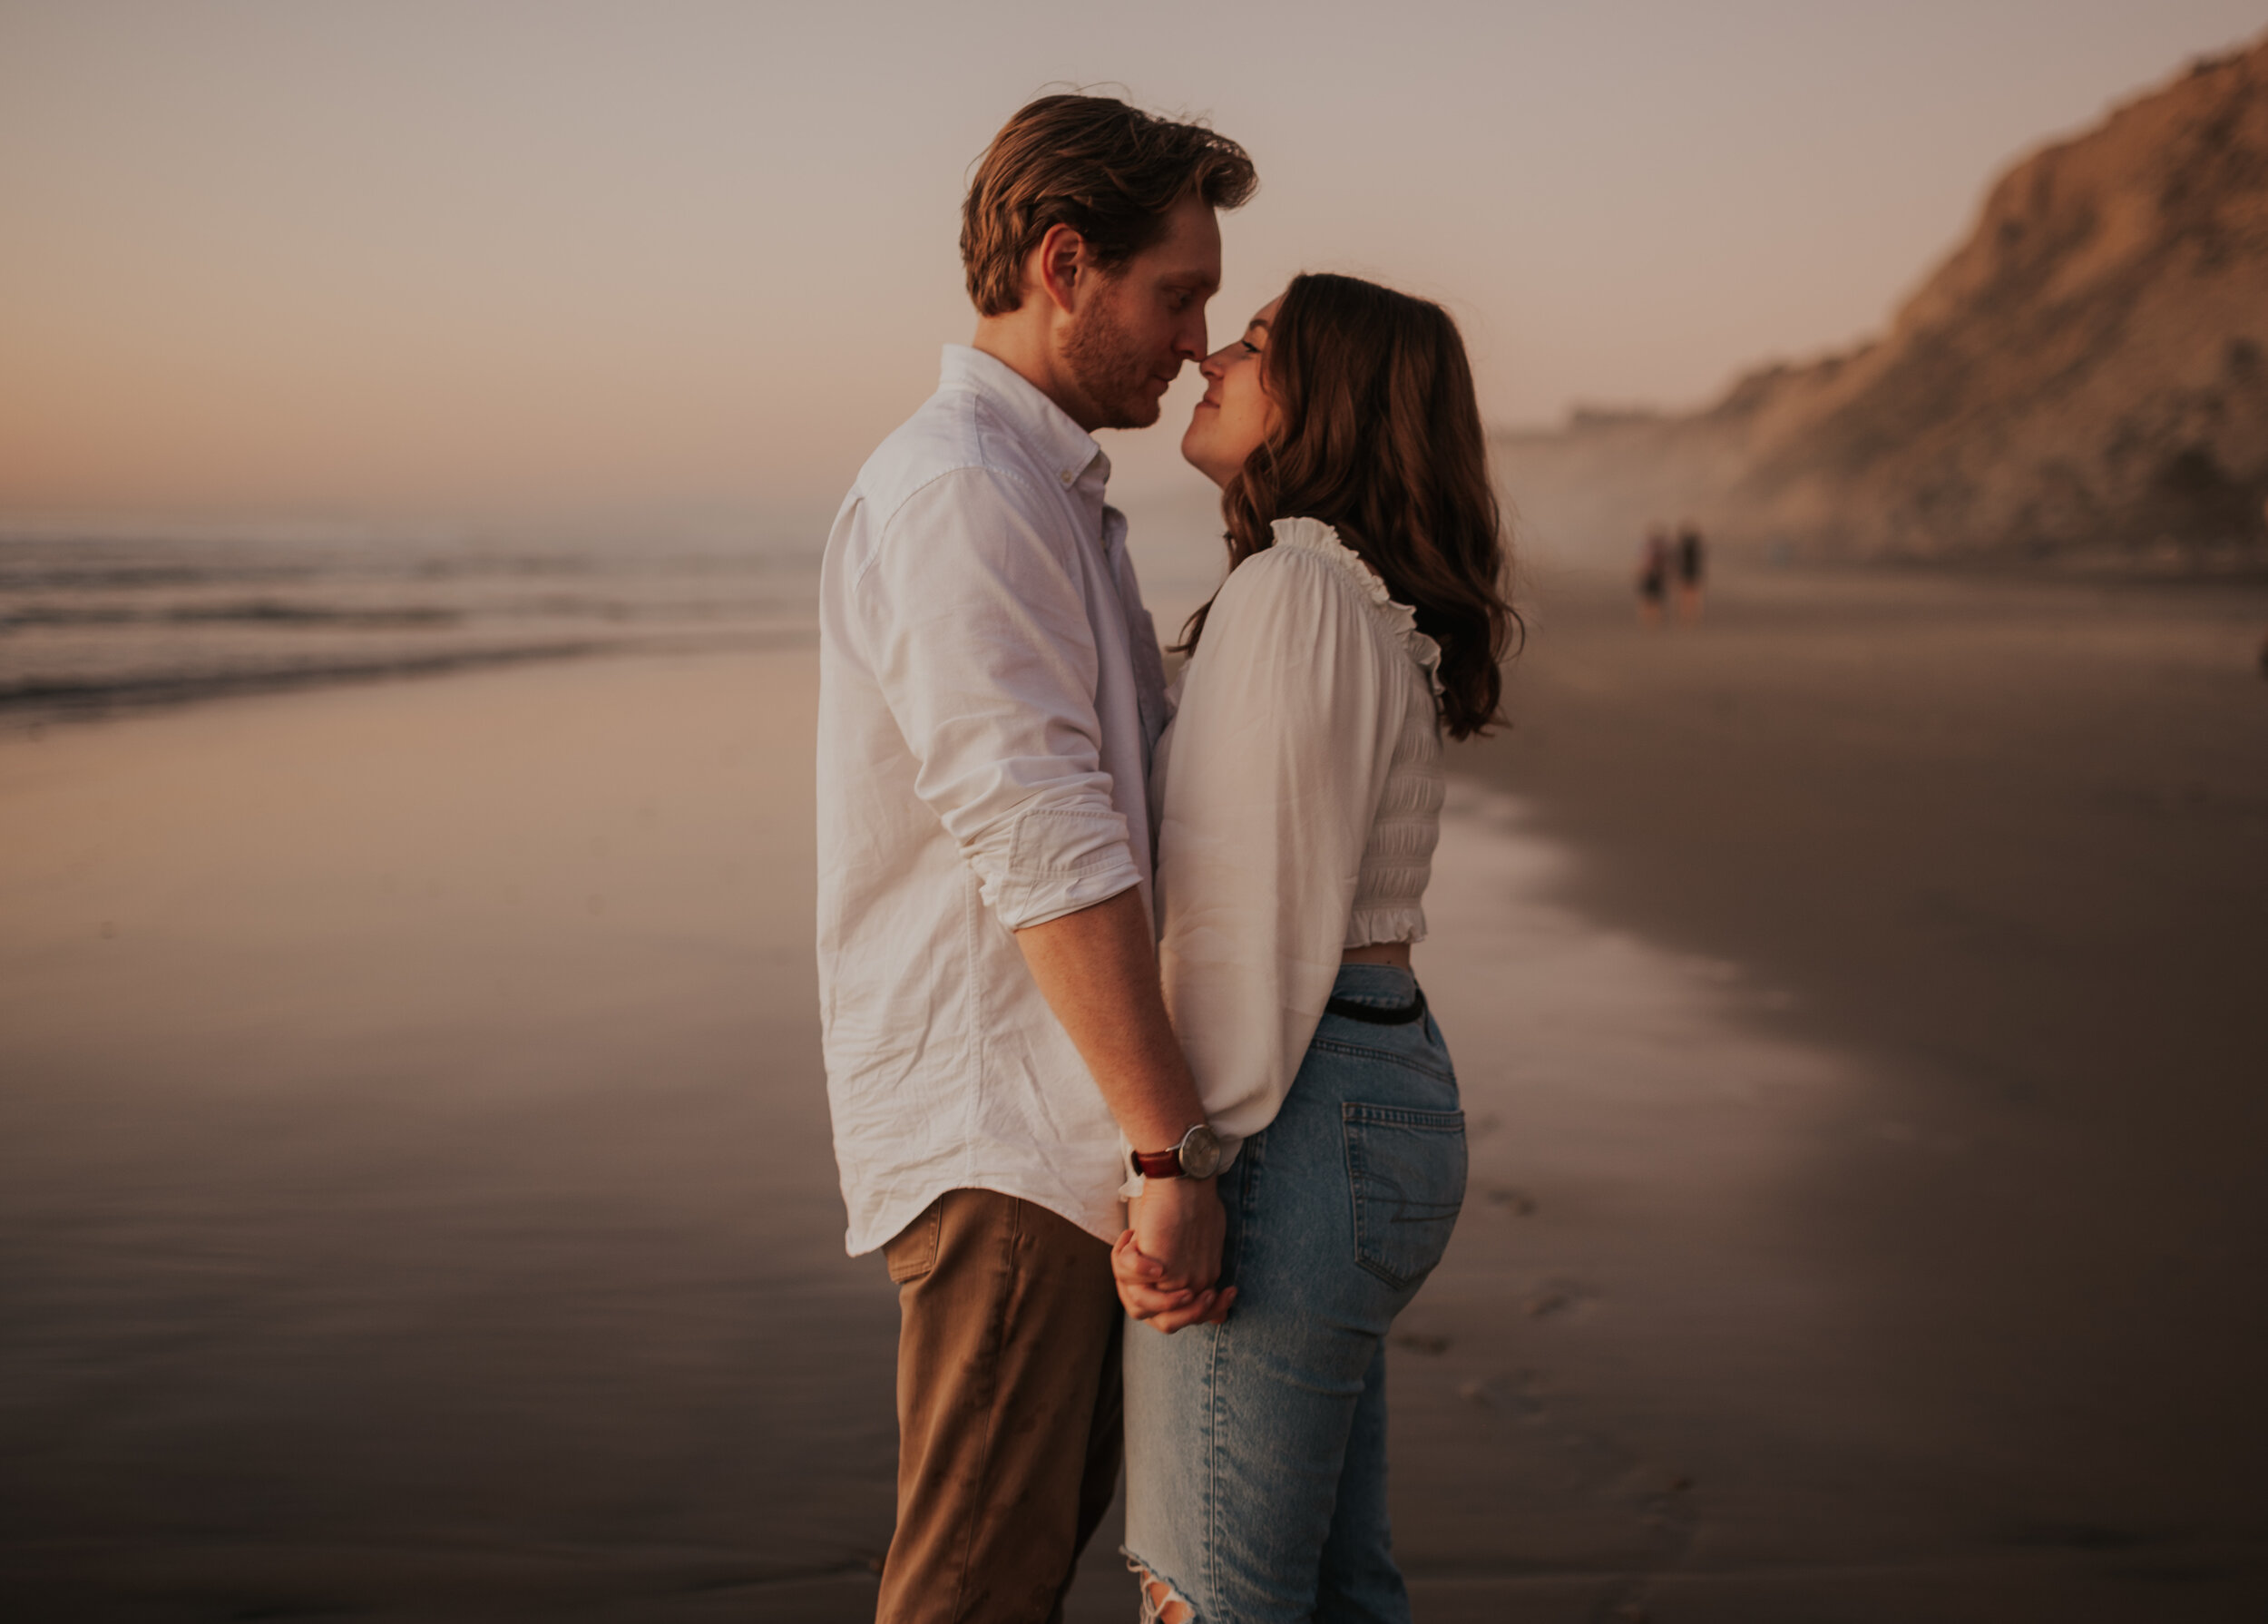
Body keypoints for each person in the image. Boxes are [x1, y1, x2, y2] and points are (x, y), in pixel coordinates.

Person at [815, 95, 1255, 1624]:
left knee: (1013, 1573)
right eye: (1177, 294)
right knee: (974, 1593)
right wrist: (1166, 1149)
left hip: (1061, 1130)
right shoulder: (965, 490)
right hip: (1013, 1138)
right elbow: (1041, 833)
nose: (1198, 338)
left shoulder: (1043, 491)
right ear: (1065, 265)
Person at [1112, 273, 1516, 1624]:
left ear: (1326, 399)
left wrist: (1177, 1164)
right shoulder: (1343, 594)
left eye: (1256, 343)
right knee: (1337, 1591)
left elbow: (1245, 920)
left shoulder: (1295, 589)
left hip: (1293, 1104)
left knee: (1211, 1599)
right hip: (1363, 1085)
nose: (1211, 356)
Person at [1636, 523, 1670, 626]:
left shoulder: (1661, 549)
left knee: (1655, 598)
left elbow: (1664, 564)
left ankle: (1653, 618)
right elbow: (1642, 563)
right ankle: (1648, 618)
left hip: (1656, 575)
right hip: (1650, 575)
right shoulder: (1647, 548)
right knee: (1648, 597)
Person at [1676, 519, 1707, 623]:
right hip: (1690, 571)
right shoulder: (1692, 546)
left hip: (1689, 571)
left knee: (1688, 595)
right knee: (1690, 595)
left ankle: (1688, 615)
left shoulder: (1687, 546)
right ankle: (1690, 615)